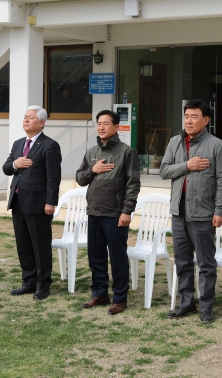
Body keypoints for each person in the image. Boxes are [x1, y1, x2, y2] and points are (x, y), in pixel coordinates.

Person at [160, 99, 222, 324]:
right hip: (178, 211)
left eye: (194, 117)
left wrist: (219, 210)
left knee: (206, 263)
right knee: (182, 261)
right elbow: (164, 171)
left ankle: (206, 307)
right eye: (186, 116)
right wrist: (187, 166)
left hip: (203, 212)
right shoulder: (175, 142)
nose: (189, 121)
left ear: (206, 120)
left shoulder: (216, 145)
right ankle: (186, 302)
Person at [76, 110, 140, 315]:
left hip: (115, 214)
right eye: (99, 123)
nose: (101, 127)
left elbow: (133, 184)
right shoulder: (91, 152)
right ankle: (100, 294)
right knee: (96, 257)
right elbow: (80, 178)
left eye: (106, 123)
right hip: (94, 211)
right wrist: (92, 170)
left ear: (117, 127)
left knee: (117, 257)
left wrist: (127, 211)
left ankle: (120, 298)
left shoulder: (127, 152)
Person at [3, 105, 62, 301]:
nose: (26, 120)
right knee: (23, 245)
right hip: (19, 201)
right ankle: (28, 282)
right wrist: (15, 164)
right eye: (25, 117)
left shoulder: (49, 145)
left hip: (38, 203)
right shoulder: (19, 143)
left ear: (42, 123)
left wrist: (50, 202)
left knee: (40, 246)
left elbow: (54, 178)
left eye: (30, 117)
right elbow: (6, 167)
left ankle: (43, 285)